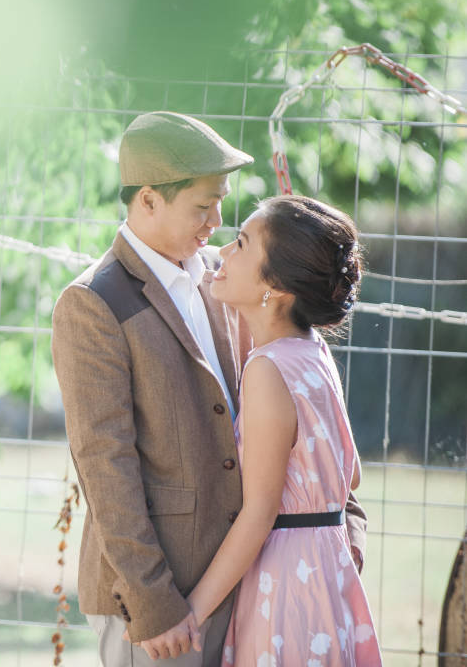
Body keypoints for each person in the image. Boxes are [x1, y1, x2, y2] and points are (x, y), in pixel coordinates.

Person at [51, 111, 368, 667]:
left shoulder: (224, 281)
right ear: (148, 200)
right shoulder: (94, 304)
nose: (217, 222)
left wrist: (343, 523)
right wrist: (154, 603)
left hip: (248, 581)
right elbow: (105, 466)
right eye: (202, 206)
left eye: (221, 203)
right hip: (163, 606)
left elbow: (302, 419)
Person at [185, 194, 382, 665]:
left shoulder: (268, 369)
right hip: (327, 574)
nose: (224, 254)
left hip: (287, 586)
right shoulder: (312, 352)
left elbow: (258, 514)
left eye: (241, 244)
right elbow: (349, 472)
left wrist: (192, 613)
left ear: (276, 286)